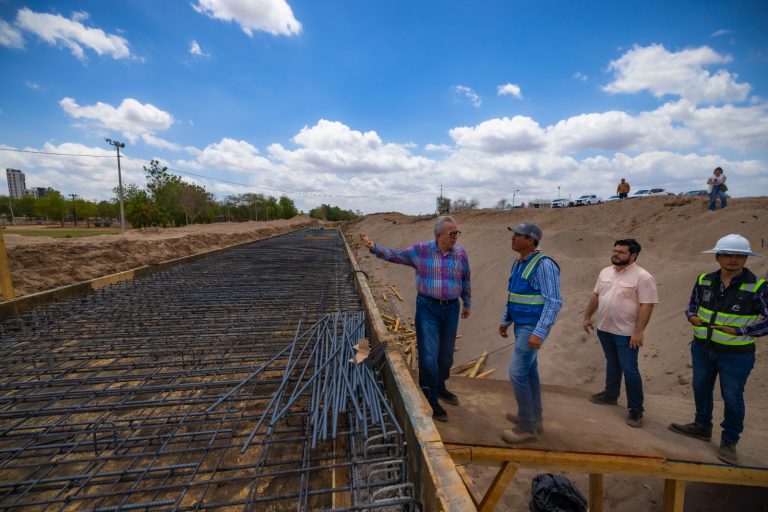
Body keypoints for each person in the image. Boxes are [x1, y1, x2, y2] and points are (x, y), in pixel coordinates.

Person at [359, 216, 471, 422]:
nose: (456, 237)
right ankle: (431, 397)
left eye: (457, 233)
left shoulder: (460, 253)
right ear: (438, 236)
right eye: (452, 233)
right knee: (428, 356)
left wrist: (467, 302)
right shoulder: (422, 251)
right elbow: (396, 255)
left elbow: (465, 278)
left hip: (451, 309)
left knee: (445, 356)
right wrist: (374, 247)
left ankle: (440, 385)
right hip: (428, 308)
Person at [669, 234, 766, 465]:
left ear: (746, 259)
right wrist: (691, 316)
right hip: (702, 349)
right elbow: (692, 304)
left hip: (736, 355)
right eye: (728, 255)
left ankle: (729, 441)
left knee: (732, 397)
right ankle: (702, 426)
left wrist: (743, 332)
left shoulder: (758, 287)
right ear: (718, 257)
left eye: (739, 256)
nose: (733, 260)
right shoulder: (703, 280)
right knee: (700, 388)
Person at [582, 239, 658, 428]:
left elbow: (647, 305)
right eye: (615, 251)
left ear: (633, 255)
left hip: (626, 333)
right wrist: (587, 316)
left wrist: (638, 332)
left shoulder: (643, 277)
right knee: (612, 362)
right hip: (605, 328)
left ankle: (636, 409)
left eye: (621, 252)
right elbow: (596, 296)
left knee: (629, 368)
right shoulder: (605, 272)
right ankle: (610, 394)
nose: (616, 254)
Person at [499, 222, 562, 443]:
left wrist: (540, 332)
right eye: (513, 234)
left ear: (531, 240)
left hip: (531, 328)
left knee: (517, 373)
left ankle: (527, 427)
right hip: (520, 325)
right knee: (529, 372)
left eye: (518, 235)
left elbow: (554, 302)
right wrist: (506, 319)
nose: (513, 238)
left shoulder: (544, 265)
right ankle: (534, 417)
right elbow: (514, 294)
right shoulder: (519, 263)